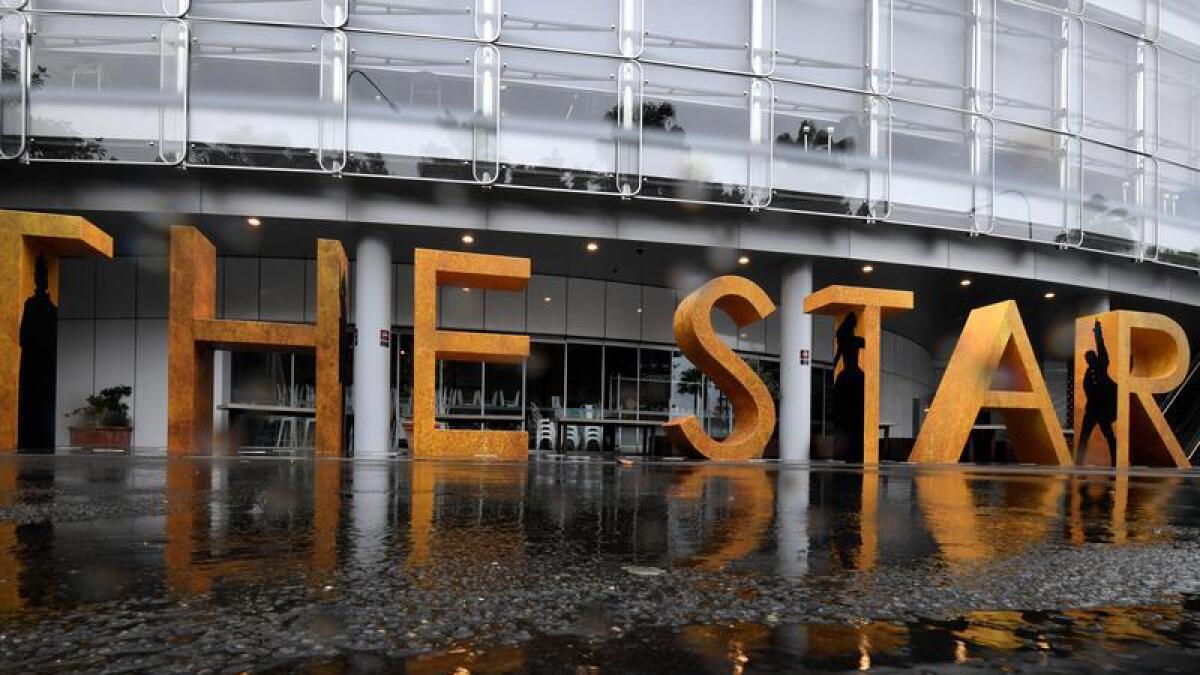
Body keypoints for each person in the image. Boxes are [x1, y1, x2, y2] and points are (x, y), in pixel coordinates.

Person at [18, 255, 58, 452]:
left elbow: (23, 336)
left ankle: (30, 441)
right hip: (47, 363)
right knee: (45, 403)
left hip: (33, 363)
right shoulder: (51, 309)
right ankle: (44, 442)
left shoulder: (32, 305)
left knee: (32, 403)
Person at [1076, 319, 1118, 465]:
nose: (1089, 360)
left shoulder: (1102, 364)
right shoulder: (1088, 373)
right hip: (1092, 409)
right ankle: (1078, 462)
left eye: (1091, 357)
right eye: (1088, 359)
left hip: (1104, 409)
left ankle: (1115, 461)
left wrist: (1098, 331)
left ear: (1095, 357)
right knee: (1084, 436)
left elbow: (1101, 346)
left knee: (1109, 435)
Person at [832, 312, 866, 461]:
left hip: (845, 376)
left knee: (847, 415)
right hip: (855, 377)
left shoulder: (844, 340)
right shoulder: (856, 341)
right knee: (857, 414)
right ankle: (856, 451)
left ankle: (848, 451)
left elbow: (837, 358)